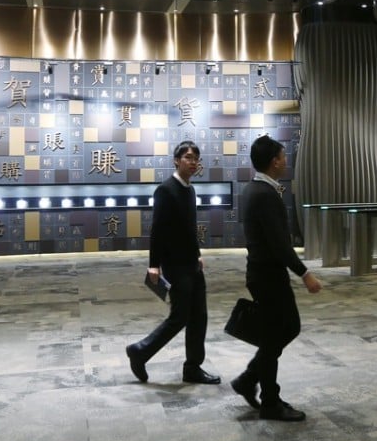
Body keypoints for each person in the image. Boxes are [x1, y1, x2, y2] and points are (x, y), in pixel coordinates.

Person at [231, 135, 322, 421]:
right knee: (281, 332)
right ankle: (269, 401)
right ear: (274, 162)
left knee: (280, 332)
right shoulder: (265, 195)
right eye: (283, 156)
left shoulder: (254, 189)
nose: (286, 161)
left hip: (262, 273)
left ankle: (249, 380)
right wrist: (305, 274)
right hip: (268, 276)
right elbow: (280, 245)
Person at [125, 141, 220, 385]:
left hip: (191, 263)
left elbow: (189, 227)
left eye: (196, 158)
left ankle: (192, 367)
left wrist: (197, 254)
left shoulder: (190, 190)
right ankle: (140, 351)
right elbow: (157, 229)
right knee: (180, 317)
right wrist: (153, 264)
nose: (193, 162)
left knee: (199, 316)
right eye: (188, 157)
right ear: (176, 160)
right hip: (175, 265)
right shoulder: (166, 190)